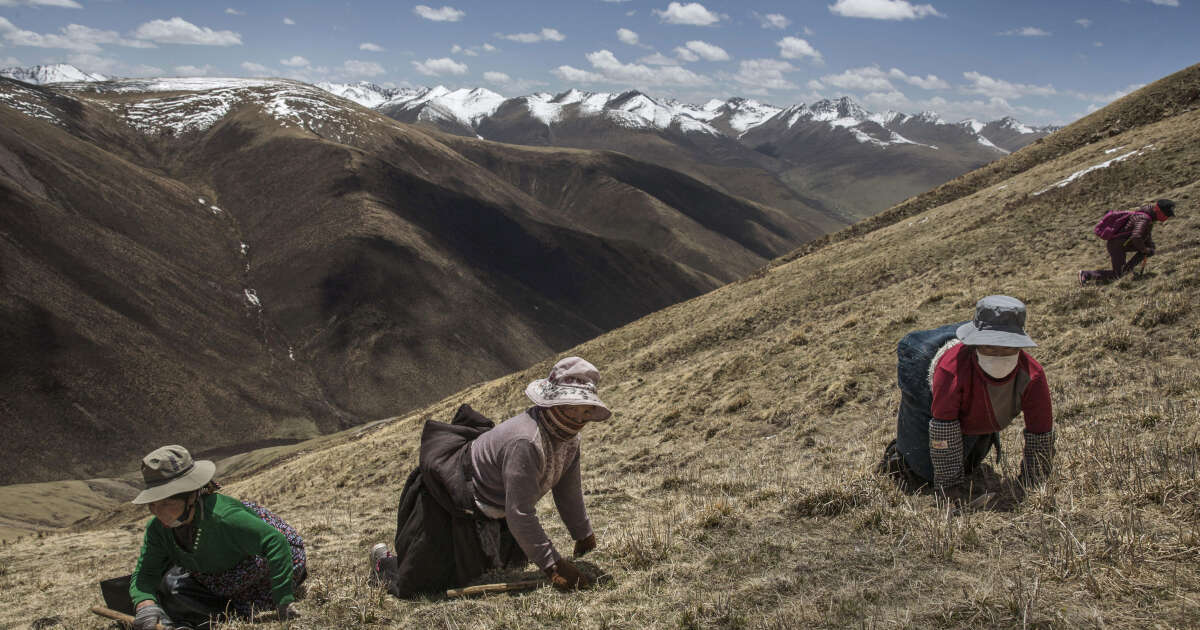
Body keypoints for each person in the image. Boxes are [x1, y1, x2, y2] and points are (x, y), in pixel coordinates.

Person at [372, 356, 610, 596]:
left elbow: (567, 489)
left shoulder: (569, 440)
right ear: (552, 403)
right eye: (571, 408)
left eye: (587, 410)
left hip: (493, 509)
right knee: (422, 585)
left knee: (482, 571)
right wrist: (553, 565)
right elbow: (520, 512)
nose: (579, 418)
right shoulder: (526, 442)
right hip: (449, 497)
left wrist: (583, 534)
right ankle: (383, 562)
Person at [879, 296, 1055, 500]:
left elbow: (1041, 432)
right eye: (989, 346)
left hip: (982, 412)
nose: (998, 354)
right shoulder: (950, 371)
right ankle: (899, 457)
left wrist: (1034, 481)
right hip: (930, 401)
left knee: (970, 464)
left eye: (1007, 347)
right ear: (975, 345)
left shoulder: (1032, 375)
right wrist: (949, 489)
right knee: (923, 472)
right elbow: (944, 428)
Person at [114, 445, 306, 630]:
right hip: (212, 574)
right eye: (153, 505)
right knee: (171, 584)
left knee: (179, 588)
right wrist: (145, 606)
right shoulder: (157, 530)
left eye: (167, 502)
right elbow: (146, 573)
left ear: (191, 497)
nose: (158, 512)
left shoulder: (224, 517)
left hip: (257, 565)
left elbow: (276, 543)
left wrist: (283, 600)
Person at [1080, 199, 1175, 285]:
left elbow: (1143, 233)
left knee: (1149, 250)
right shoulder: (1145, 218)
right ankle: (1086, 274)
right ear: (1159, 211)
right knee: (1117, 275)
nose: (1166, 218)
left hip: (1121, 243)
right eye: (1166, 215)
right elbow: (1136, 236)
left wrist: (1149, 245)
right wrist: (1145, 249)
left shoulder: (1148, 215)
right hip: (1117, 245)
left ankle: (1126, 271)